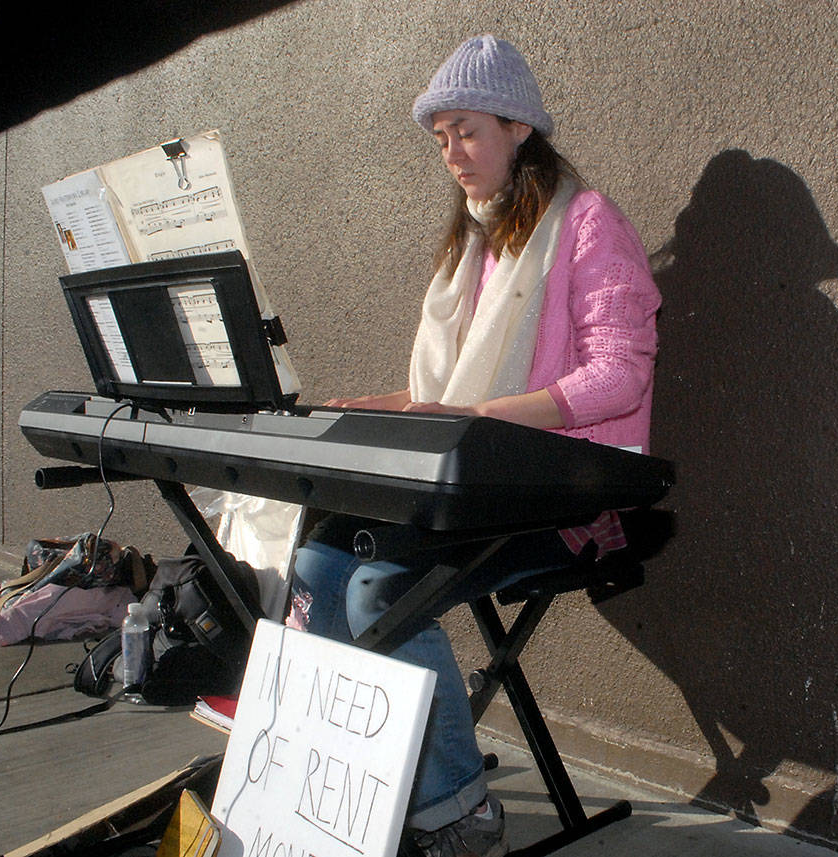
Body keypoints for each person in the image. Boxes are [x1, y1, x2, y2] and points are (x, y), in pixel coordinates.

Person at [286, 34, 660, 857]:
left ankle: (458, 808)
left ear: (518, 126)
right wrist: (386, 408)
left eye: (467, 129)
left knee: (381, 592)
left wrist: (482, 417)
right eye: (440, 136)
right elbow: (449, 400)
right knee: (317, 565)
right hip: (481, 481)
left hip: (571, 496)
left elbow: (621, 376)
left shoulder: (587, 222)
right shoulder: (475, 243)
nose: (452, 152)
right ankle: (382, 775)